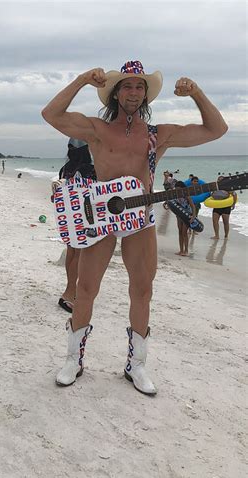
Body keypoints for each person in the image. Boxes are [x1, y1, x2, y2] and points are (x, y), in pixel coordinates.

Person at [42, 59, 227, 395]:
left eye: (139, 86)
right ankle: (74, 358)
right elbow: (50, 115)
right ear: (115, 92)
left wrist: (197, 93)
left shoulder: (159, 135)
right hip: (102, 218)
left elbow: (217, 130)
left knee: (142, 291)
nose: (133, 91)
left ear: (146, 94)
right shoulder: (97, 130)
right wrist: (83, 80)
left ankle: (136, 365)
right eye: (127, 85)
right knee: (86, 288)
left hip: (139, 219)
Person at [52, 139, 96, 314]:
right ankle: (69, 293)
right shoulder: (88, 169)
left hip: (68, 216)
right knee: (79, 255)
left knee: (71, 252)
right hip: (84, 216)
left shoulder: (66, 168)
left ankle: (70, 289)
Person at [173, 180, 196, 256]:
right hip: (179, 215)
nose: (177, 190)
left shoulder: (186, 195)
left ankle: (186, 250)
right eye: (176, 189)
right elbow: (173, 204)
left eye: (179, 189)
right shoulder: (175, 195)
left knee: (184, 232)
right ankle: (181, 250)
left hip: (187, 215)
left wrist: (193, 216)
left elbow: (193, 206)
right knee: (180, 232)